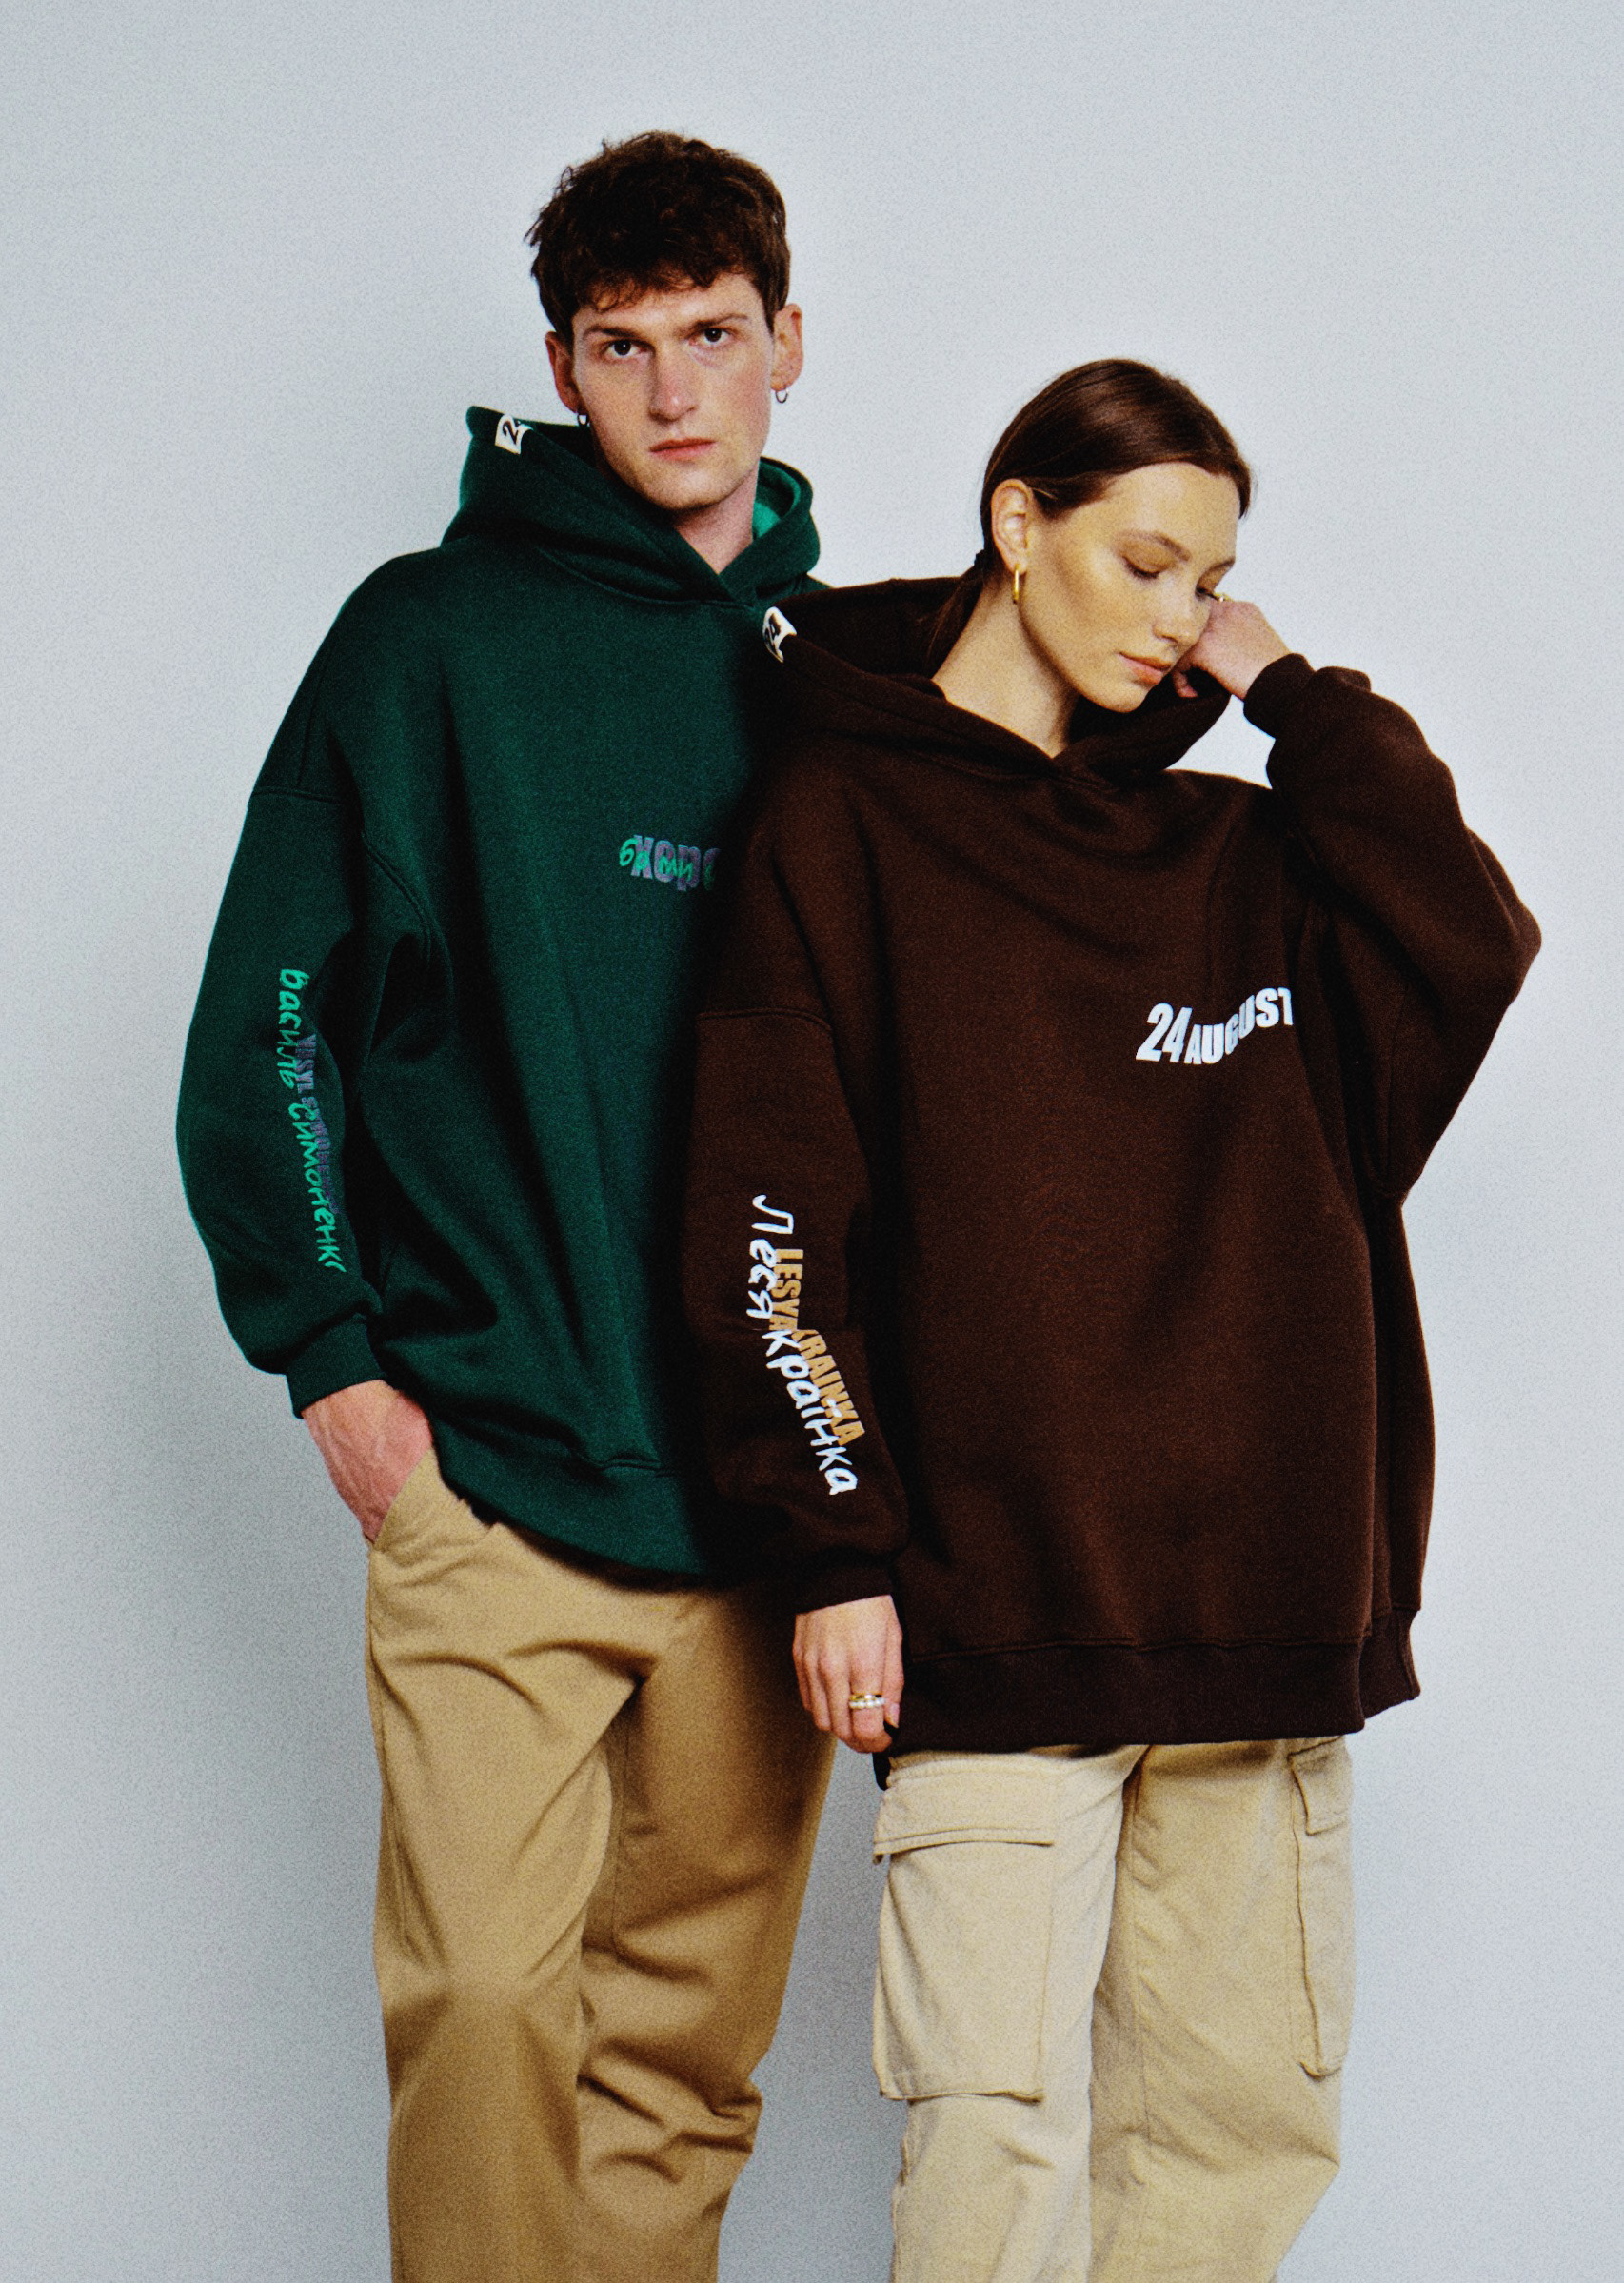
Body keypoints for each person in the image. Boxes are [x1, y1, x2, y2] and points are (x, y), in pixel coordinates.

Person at [681, 358, 1539, 2281]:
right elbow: (769, 1227)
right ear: (1017, 520)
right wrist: (834, 1547)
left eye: (1211, 581)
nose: (1179, 616)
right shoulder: (837, 826)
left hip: (1259, 1623)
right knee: (991, 2161)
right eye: (1147, 562)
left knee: (1230, 2153)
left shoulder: (1238, 857)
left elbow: (1467, 937)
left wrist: (1292, 692)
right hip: (992, 1620)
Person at [176, 131, 833, 2283]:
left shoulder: (848, 683)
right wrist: (334, 1362)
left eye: (712, 336)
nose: (673, 390)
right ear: (560, 368)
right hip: (487, 1466)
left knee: (682, 2054)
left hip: (761, 1502)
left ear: (789, 344)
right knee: (479, 1998)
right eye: (621, 346)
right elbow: (278, 1008)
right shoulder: (428, 642)